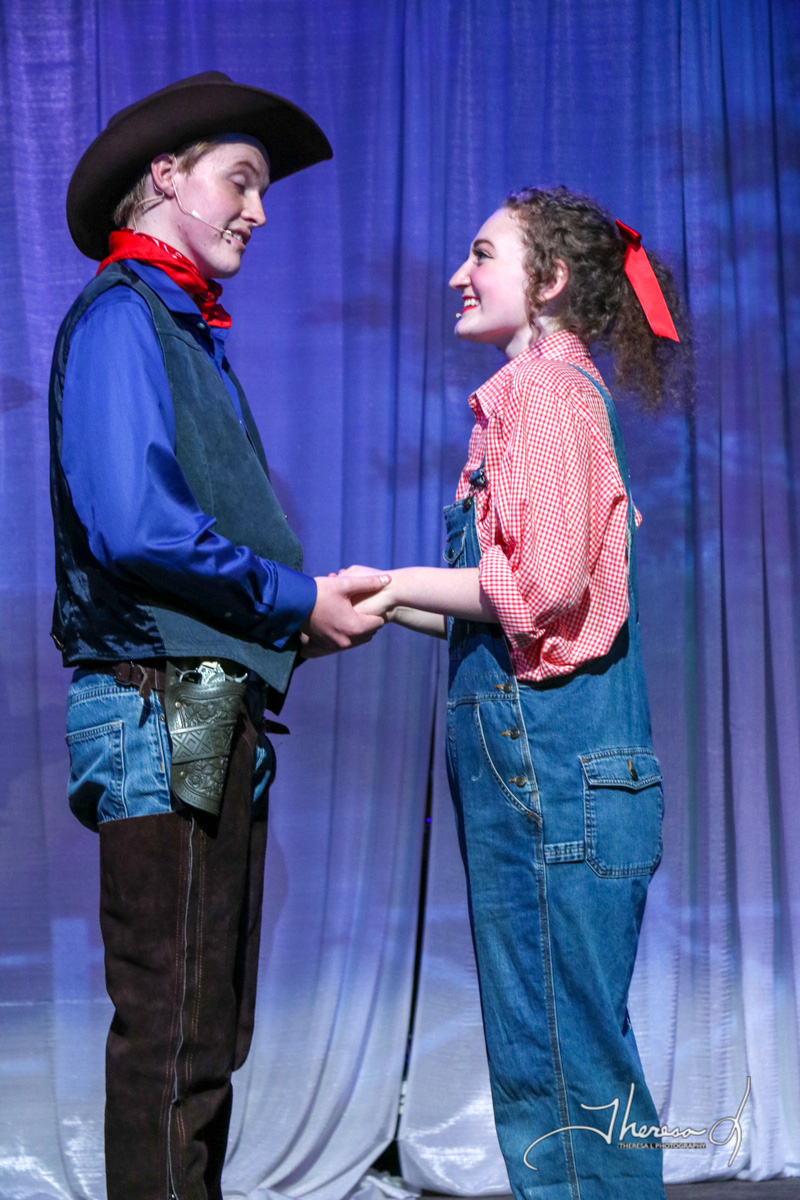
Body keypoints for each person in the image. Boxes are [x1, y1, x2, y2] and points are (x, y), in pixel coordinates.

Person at [49, 72, 387, 1200]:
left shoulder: (179, 327)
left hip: (198, 698)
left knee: (205, 1027)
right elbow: (137, 527)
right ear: (165, 176)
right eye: (240, 181)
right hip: (162, 704)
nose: (257, 209)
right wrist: (292, 603)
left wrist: (300, 613)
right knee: (173, 1026)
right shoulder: (120, 318)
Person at [349, 186, 683, 1199]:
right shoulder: (550, 394)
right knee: (565, 1061)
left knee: (561, 1077)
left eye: (482, 254)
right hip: (567, 774)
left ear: (549, 280)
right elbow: (507, 615)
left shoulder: (540, 394)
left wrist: (398, 579)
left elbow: (538, 592)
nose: (459, 275)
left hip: (553, 773)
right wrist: (386, 600)